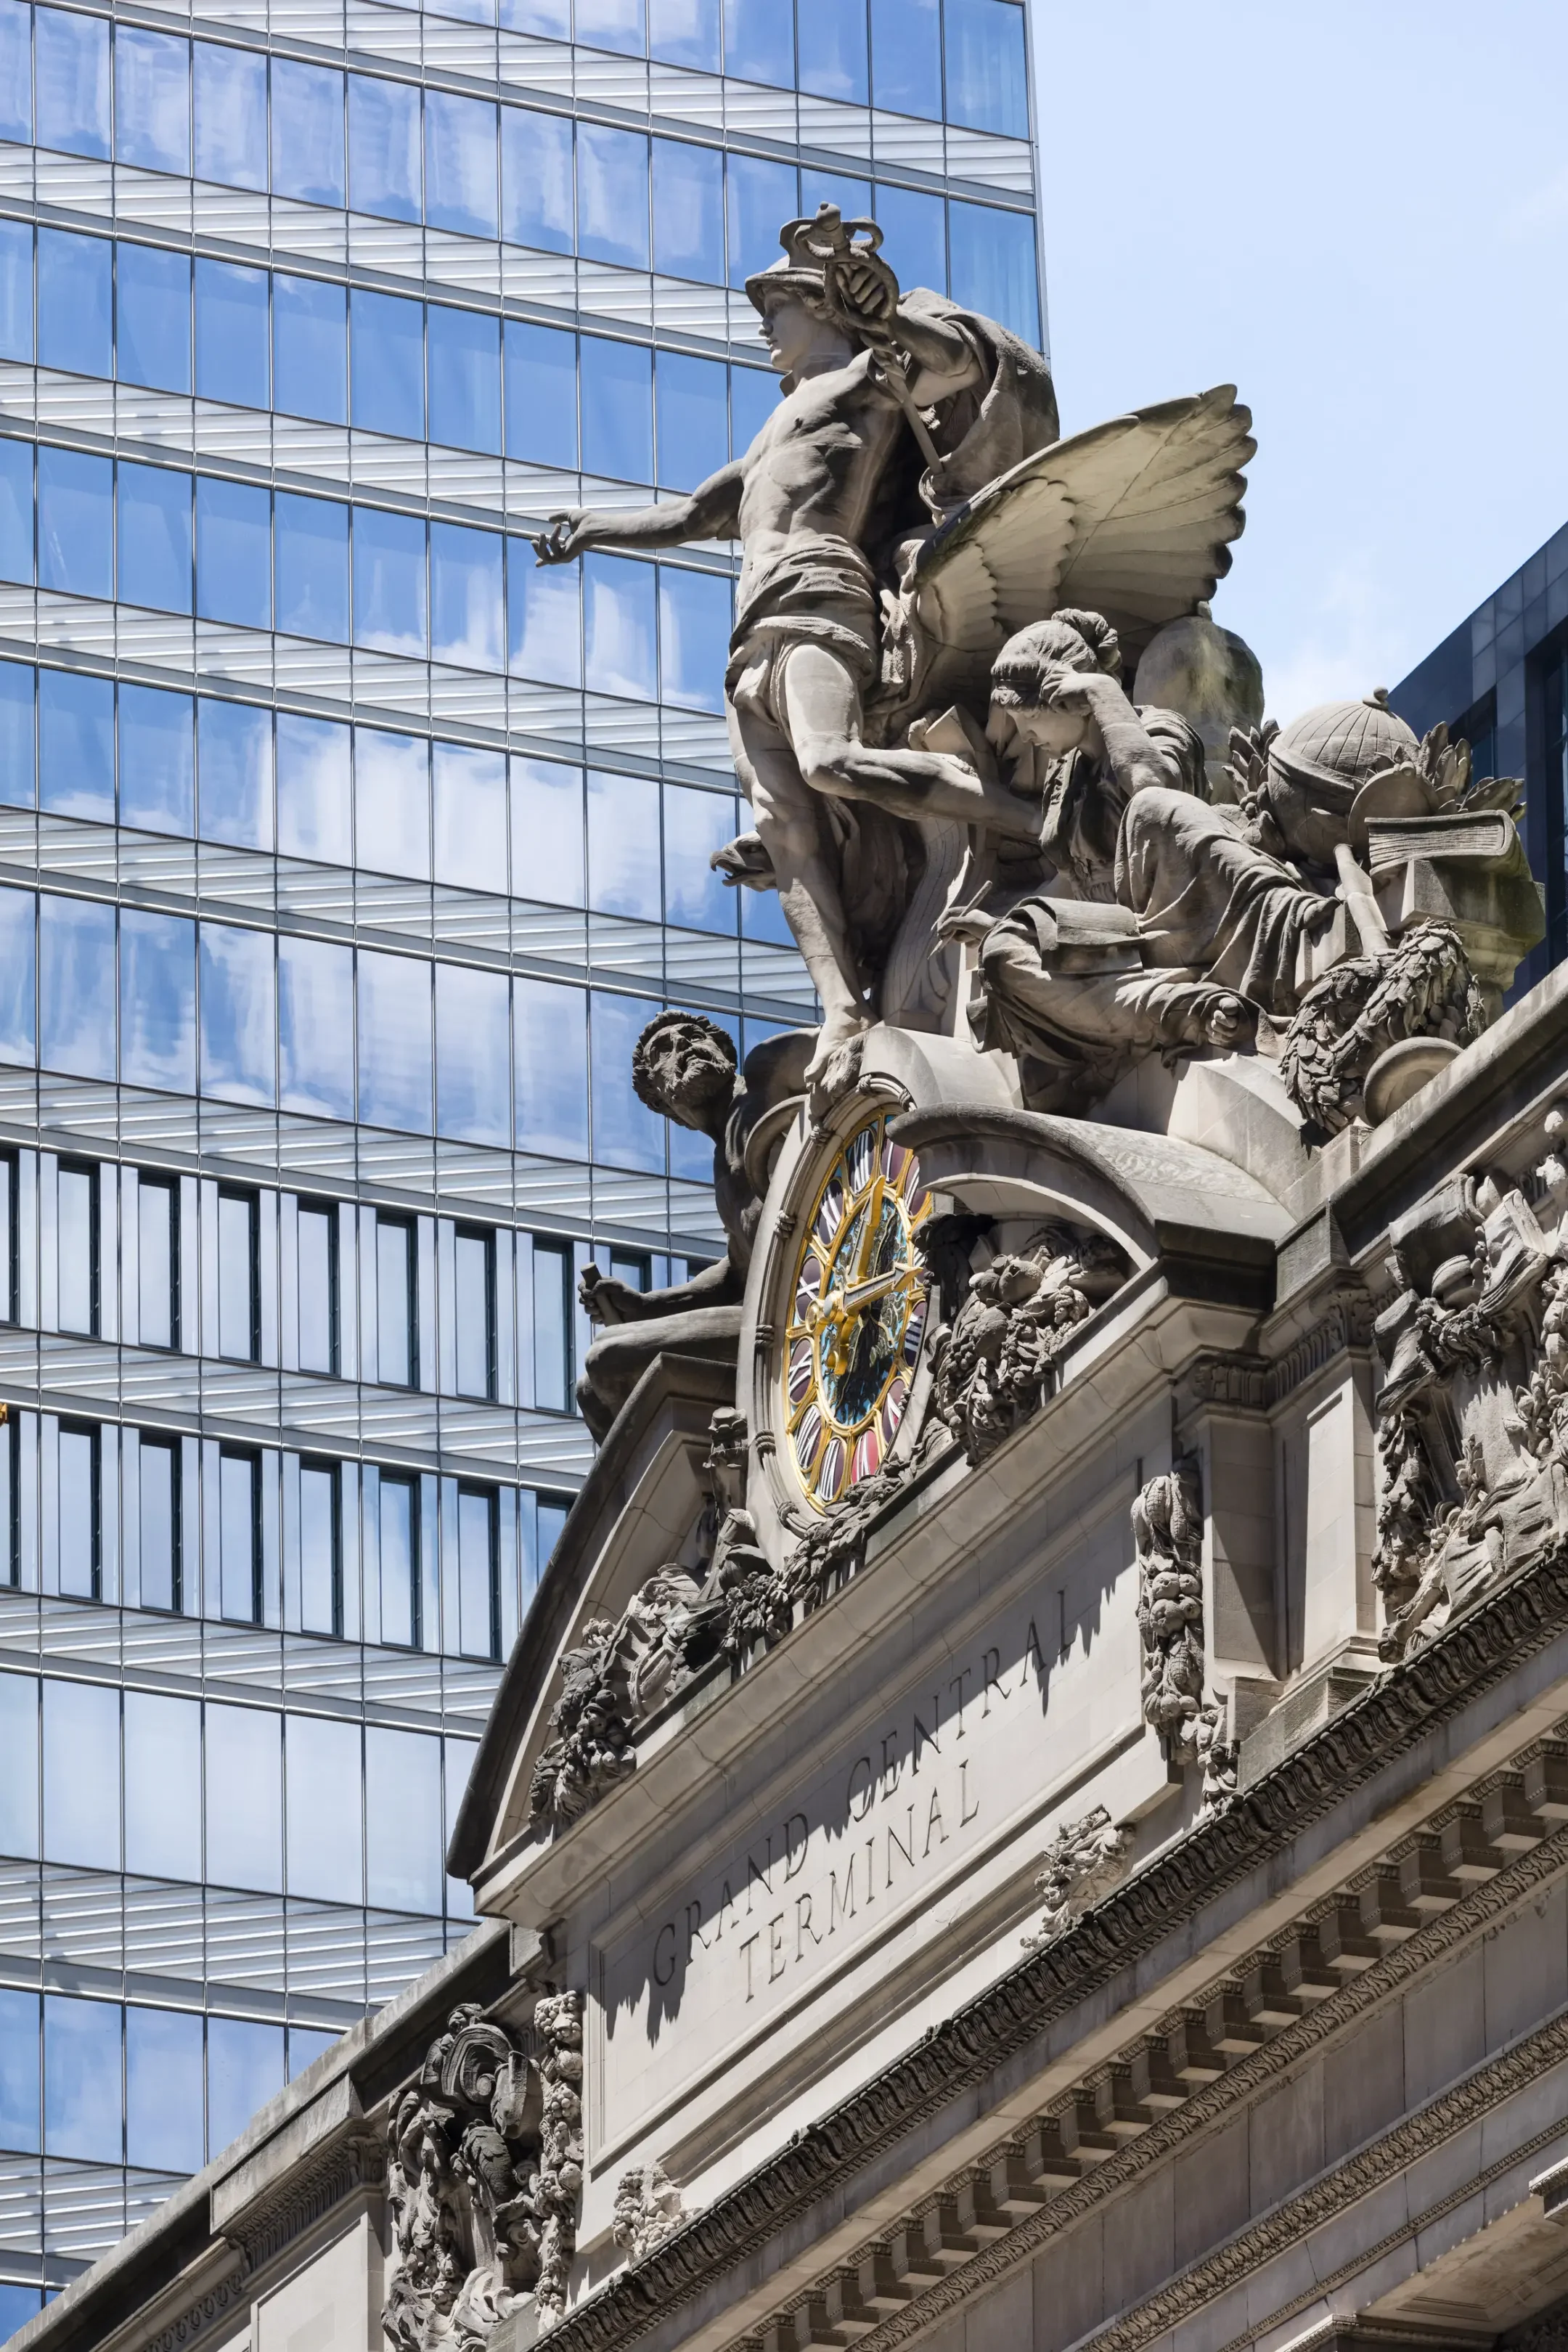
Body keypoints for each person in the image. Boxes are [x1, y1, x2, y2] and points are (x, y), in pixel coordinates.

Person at [532, 207, 1058, 1079]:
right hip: (750, 633)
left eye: (775, 309)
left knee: (831, 764)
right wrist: (596, 526)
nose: (765, 328)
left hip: (824, 599)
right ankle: (842, 1012)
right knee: (784, 826)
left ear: (817, 306)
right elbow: (698, 515)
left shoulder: (865, 380)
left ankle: (1025, 817)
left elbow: (961, 365)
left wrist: (884, 314)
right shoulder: (771, 432)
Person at [574, 1013, 811, 1440]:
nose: (684, 1045)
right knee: (592, 1389)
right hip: (775, 1309)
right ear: (665, 1104)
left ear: (726, 1055)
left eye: (694, 1036)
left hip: (817, 1292)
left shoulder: (765, 1080)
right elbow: (738, 1274)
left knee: (606, 1361)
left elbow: (841, 1043)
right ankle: (709, 1494)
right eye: (664, 1050)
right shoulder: (723, 1169)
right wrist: (644, 1305)